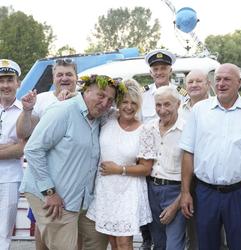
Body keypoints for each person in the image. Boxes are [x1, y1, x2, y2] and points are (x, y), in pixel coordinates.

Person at [19, 75, 117, 249]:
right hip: (53, 197)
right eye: (101, 96)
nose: (105, 103)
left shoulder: (98, 117)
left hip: (82, 201)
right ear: (86, 91)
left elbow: (128, 106)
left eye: (110, 99)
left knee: (97, 242)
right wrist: (50, 192)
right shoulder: (63, 111)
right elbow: (33, 149)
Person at [180, 63, 241, 250]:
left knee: (240, 245)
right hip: (205, 193)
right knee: (206, 246)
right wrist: (185, 192)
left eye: (227, 79)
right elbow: (188, 152)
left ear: (239, 83)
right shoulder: (199, 110)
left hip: (240, 194)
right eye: (218, 79)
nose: (221, 83)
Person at [86, 79, 155, 250]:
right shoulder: (107, 118)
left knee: (124, 242)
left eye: (134, 103)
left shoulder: (145, 130)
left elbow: (146, 168)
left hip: (128, 191)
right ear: (118, 102)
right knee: (114, 242)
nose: (129, 107)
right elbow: (89, 103)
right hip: (106, 189)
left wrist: (119, 169)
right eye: (125, 102)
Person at [16, 58, 78, 250]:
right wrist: (27, 110)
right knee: (42, 229)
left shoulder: (84, 100)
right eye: (60, 74)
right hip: (43, 179)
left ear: (77, 77)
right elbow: (23, 133)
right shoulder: (42, 99)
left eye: (69, 74)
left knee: (73, 233)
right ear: (53, 77)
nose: (64, 78)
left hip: (72, 180)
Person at [141, 49, 185, 249]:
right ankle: (146, 237)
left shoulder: (181, 94)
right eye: (155, 69)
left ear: (170, 70)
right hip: (150, 171)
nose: (159, 72)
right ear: (151, 72)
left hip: (175, 177)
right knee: (157, 236)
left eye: (163, 68)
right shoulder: (144, 94)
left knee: (175, 240)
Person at [0, 59, 25, 249]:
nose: (5, 85)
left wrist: (14, 148)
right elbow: (15, 147)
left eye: (9, 80)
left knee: (3, 233)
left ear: (18, 82)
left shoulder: (25, 111)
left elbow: (22, 148)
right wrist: (9, 148)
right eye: (1, 80)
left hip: (9, 178)